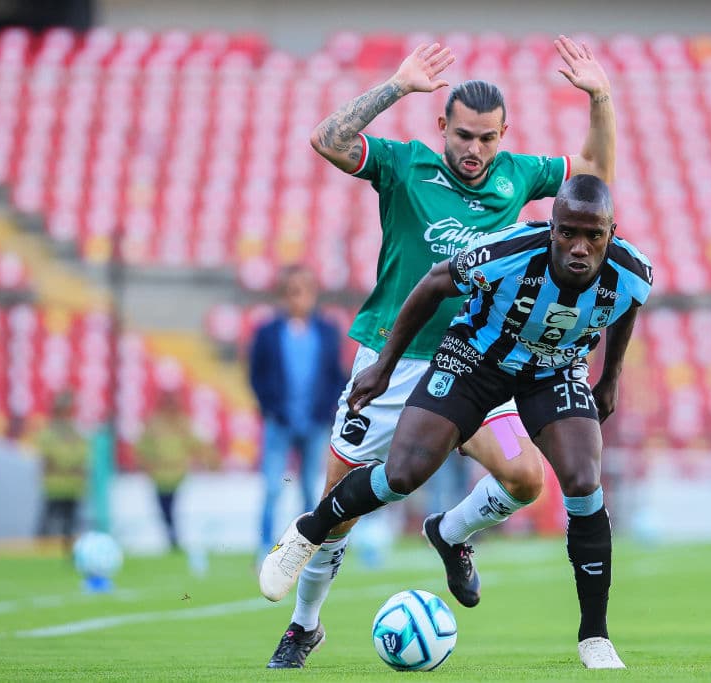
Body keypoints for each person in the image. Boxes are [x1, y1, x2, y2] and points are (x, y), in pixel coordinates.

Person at [263, 35, 617, 669]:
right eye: (463, 136)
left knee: (525, 478)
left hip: (474, 366)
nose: (474, 150)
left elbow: (593, 177)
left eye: (487, 138)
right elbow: (328, 140)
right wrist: (396, 85)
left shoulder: (521, 176)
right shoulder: (405, 165)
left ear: (504, 133)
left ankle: (450, 533)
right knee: (338, 511)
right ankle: (304, 625)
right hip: (392, 364)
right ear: (442, 128)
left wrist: (599, 98)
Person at [247, 264, 346, 554]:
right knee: (272, 487)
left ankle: (304, 546)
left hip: (314, 423)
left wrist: (325, 410)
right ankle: (264, 546)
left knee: (307, 489)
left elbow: (334, 375)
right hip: (279, 422)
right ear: (283, 295)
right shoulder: (267, 332)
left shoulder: (327, 332)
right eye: (292, 292)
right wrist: (270, 408)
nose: (298, 298)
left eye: (303, 291)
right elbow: (257, 374)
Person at [136, 390, 206, 551]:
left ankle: (175, 538)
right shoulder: (153, 423)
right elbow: (141, 448)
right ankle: (171, 538)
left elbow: (196, 444)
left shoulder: (183, 423)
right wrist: (148, 466)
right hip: (160, 476)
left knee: (175, 509)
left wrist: (201, 459)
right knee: (164, 509)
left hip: (179, 476)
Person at [35, 391, 87, 551]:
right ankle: (41, 550)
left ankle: (68, 552)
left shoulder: (76, 431)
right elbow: (47, 459)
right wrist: (69, 468)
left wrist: (69, 468)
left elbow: (83, 456)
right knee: (49, 520)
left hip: (73, 485)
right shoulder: (49, 432)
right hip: (55, 485)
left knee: (70, 523)